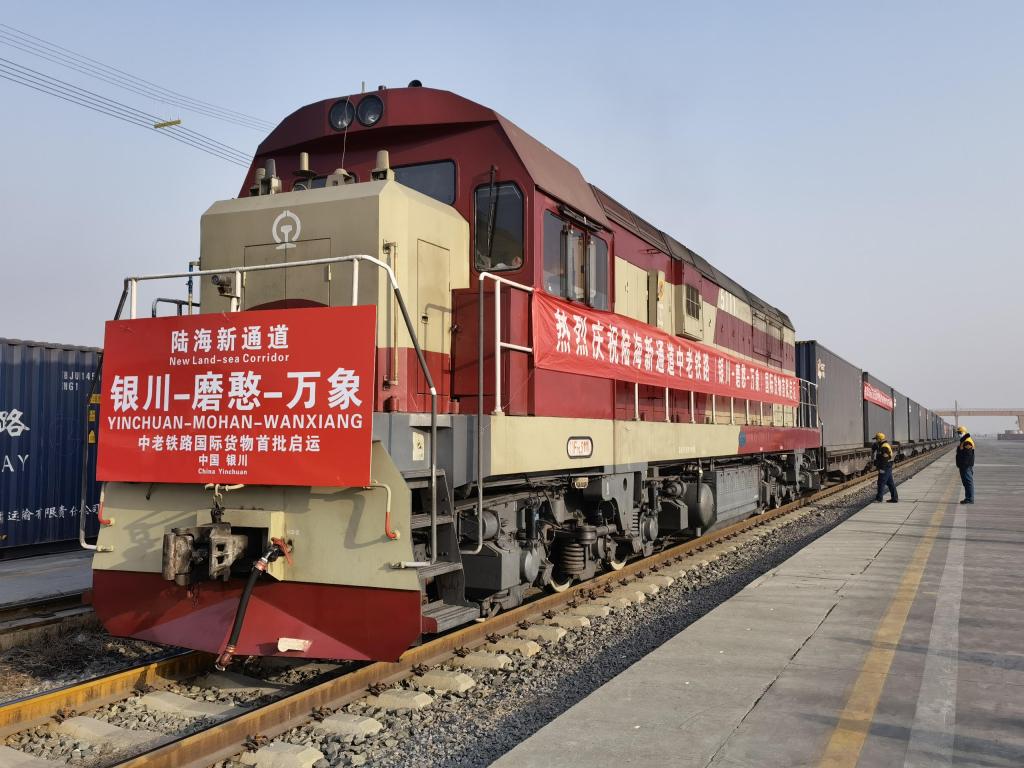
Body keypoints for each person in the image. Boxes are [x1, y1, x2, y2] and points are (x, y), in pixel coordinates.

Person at [873, 432, 898, 503]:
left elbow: (885, 458)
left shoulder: (884, 446)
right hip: (887, 466)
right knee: (890, 483)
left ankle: (879, 499)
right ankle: (894, 498)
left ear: (880, 439)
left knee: (881, 482)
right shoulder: (882, 445)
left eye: (876, 439)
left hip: (885, 466)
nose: (876, 441)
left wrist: (882, 469)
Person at [955, 426, 975, 504]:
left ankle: (970, 499)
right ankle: (968, 498)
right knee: (966, 483)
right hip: (964, 466)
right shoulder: (964, 440)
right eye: (958, 433)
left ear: (964, 432)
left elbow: (967, 455)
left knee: (968, 482)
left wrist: (964, 465)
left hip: (966, 466)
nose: (958, 434)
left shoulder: (967, 442)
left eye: (959, 432)